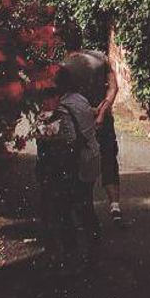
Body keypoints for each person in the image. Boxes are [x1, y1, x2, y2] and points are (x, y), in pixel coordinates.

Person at [36, 65, 101, 266]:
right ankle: (93, 251)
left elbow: (68, 138)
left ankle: (73, 257)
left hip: (75, 164)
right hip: (91, 159)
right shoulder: (80, 99)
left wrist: (44, 128)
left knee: (64, 210)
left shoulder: (62, 108)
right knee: (85, 206)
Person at [61, 24, 124, 224]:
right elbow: (113, 88)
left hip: (78, 121)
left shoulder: (63, 66)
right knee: (108, 160)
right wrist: (102, 111)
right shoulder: (100, 58)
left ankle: (85, 209)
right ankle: (115, 206)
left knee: (79, 162)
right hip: (103, 118)